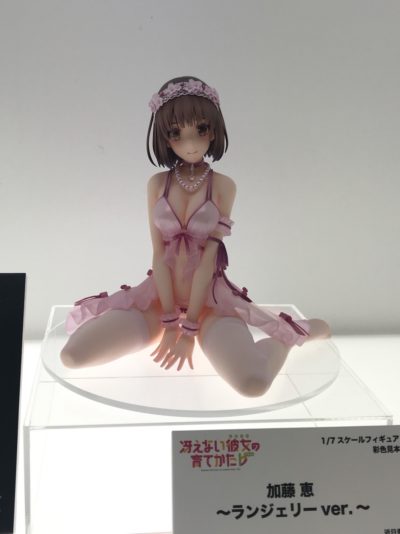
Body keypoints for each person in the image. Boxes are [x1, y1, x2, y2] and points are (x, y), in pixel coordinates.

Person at [61, 76, 330, 397]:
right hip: (157, 301)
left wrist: (189, 329)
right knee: (72, 356)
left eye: (200, 130)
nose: (189, 143)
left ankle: (286, 339)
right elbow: (158, 255)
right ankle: (163, 327)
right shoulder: (157, 184)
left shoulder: (223, 186)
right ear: (165, 137)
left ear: (213, 130)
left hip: (211, 306)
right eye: (176, 133)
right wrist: (169, 321)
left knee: (253, 384)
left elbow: (207, 262)